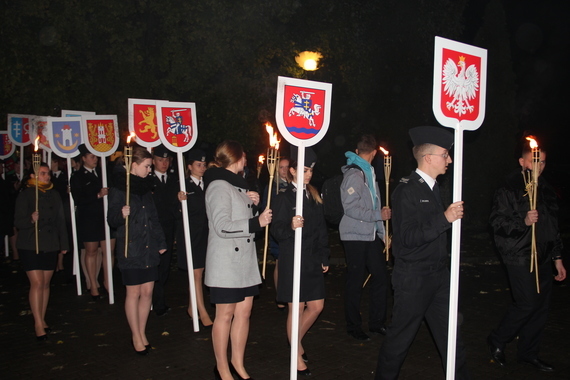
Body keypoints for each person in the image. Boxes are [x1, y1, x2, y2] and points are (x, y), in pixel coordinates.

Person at [376, 126, 468, 379]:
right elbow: (406, 239)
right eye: (445, 155)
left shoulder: (433, 188)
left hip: (438, 277)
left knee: (452, 340)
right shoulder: (407, 190)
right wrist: (444, 219)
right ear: (428, 158)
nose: (449, 160)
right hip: (414, 279)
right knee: (398, 342)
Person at [487, 137, 566, 372]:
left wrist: (557, 259)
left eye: (542, 162)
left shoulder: (547, 189)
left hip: (542, 256)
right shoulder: (509, 186)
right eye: (535, 161)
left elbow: (553, 227)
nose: (539, 166)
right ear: (522, 162)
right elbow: (497, 222)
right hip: (518, 254)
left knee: (540, 306)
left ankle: (528, 353)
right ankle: (498, 338)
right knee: (527, 303)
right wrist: (523, 221)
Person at [203, 140, 272, 380]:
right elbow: (222, 226)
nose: (246, 161)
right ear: (237, 158)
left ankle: (238, 363)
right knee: (225, 314)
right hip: (225, 263)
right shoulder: (219, 186)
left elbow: (246, 224)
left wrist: (253, 206)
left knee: (244, 313)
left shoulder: (238, 186)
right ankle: (221, 367)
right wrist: (256, 221)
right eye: (244, 157)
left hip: (244, 261)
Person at [271, 148, 329, 376]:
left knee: (316, 306)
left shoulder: (313, 195)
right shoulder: (284, 197)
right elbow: (276, 229)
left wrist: (324, 255)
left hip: (313, 258)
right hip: (293, 258)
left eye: (311, 170)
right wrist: (290, 226)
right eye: (304, 170)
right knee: (297, 308)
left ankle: (294, 342)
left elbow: (322, 229)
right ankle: (295, 354)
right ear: (293, 171)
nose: (308, 174)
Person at [107, 146, 166, 355]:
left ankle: (142, 331)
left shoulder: (146, 187)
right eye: (147, 166)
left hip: (149, 246)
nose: (149, 170)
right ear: (134, 165)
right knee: (133, 292)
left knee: (147, 291)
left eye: (150, 166)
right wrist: (120, 214)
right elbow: (111, 219)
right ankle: (135, 335)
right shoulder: (119, 188)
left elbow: (154, 217)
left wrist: (160, 241)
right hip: (131, 247)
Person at [340, 134, 391, 341]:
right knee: (355, 280)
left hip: (369, 234)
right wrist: (378, 216)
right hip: (354, 236)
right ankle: (353, 326)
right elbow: (350, 208)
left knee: (380, 276)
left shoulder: (369, 173)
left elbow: (376, 205)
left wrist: (383, 233)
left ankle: (377, 322)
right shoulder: (355, 174)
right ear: (374, 152)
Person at [13, 163, 68, 340]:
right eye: (43, 173)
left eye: (48, 174)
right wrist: (31, 218)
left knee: (45, 283)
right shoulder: (26, 195)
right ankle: (37, 323)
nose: (47, 177)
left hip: (50, 243)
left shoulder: (54, 194)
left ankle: (42, 318)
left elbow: (61, 220)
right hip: (30, 244)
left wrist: (63, 243)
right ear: (32, 177)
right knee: (36, 283)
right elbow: (17, 222)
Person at [70, 144, 115, 299]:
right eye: (91, 156)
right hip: (88, 219)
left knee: (109, 251)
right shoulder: (77, 176)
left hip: (105, 218)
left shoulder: (103, 173)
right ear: (83, 158)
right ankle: (93, 284)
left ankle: (108, 282)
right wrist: (97, 195)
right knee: (91, 251)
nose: (95, 160)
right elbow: (78, 199)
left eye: (96, 156)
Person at [177, 148, 213, 327]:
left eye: (204, 165)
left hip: (206, 235)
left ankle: (192, 307)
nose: (202, 168)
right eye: (198, 165)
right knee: (196, 274)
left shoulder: (208, 185)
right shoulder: (183, 187)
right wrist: (178, 201)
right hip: (190, 236)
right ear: (189, 166)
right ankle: (203, 312)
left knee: (200, 273)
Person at [149, 145, 180, 316]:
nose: (164, 163)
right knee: (155, 265)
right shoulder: (149, 180)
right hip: (153, 229)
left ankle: (158, 299)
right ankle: (156, 302)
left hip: (168, 228)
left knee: (165, 266)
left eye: (166, 160)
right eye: (160, 160)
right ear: (153, 161)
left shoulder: (174, 180)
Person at [261, 156, 290, 310]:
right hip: (278, 230)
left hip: (291, 229)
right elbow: (266, 207)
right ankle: (280, 295)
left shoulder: (293, 185)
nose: (284, 170)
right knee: (279, 262)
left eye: (286, 167)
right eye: (281, 167)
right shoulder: (272, 186)